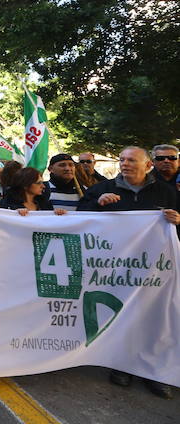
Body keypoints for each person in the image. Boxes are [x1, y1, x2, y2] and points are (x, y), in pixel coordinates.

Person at [78, 146, 179, 399]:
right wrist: (98, 206)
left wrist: (178, 220)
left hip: (155, 270)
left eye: (132, 160)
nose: (125, 164)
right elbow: (79, 220)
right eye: (122, 159)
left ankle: (153, 372)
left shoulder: (166, 192)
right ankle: (122, 366)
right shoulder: (101, 189)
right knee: (119, 316)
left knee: (155, 319)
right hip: (115, 269)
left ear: (147, 166)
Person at [0, 167, 67, 215]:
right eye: (38, 183)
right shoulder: (8, 204)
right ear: (25, 185)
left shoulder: (44, 203)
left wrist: (56, 214)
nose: (43, 186)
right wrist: (14, 214)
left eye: (42, 182)